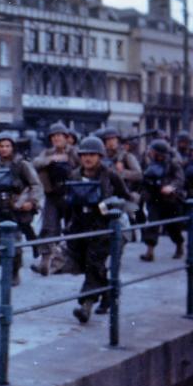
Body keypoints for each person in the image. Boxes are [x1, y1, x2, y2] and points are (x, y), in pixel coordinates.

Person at [65, 136, 130, 323]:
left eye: (92, 155)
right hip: (81, 226)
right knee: (88, 264)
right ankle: (109, 293)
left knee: (94, 264)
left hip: (104, 227)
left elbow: (128, 199)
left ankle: (86, 305)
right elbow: (70, 204)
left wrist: (112, 205)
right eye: (84, 154)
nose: (88, 158)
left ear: (100, 156)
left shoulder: (110, 175)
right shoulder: (75, 175)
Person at [0, 132, 42, 286]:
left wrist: (32, 203)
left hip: (16, 208)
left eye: (7, 146)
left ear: (13, 147)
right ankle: (5, 266)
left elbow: (36, 185)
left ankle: (13, 272)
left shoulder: (21, 164)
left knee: (15, 243)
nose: (4, 149)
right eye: (1, 146)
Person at [31, 122, 79, 276]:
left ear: (66, 138)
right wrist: (52, 160)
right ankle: (45, 262)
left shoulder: (74, 152)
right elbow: (35, 163)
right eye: (53, 136)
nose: (56, 139)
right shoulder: (47, 153)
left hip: (71, 195)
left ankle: (67, 262)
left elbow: (82, 167)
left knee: (71, 229)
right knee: (48, 228)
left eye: (60, 136)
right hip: (52, 195)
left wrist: (68, 162)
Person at [139, 139, 185, 262]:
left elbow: (179, 180)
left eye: (153, 151)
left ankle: (179, 246)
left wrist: (171, 187)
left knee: (173, 227)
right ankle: (150, 252)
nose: (151, 153)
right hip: (155, 200)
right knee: (152, 225)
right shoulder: (150, 164)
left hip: (171, 201)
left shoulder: (173, 164)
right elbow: (144, 180)